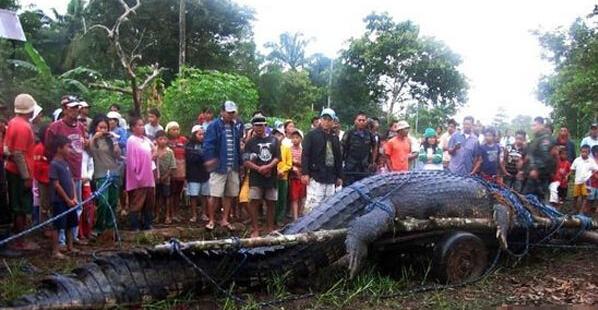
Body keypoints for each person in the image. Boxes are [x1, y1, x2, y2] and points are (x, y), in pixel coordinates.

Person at [45, 96, 88, 246]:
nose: (75, 111)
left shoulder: (80, 127)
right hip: (60, 171)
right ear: (65, 109)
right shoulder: (55, 127)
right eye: (72, 108)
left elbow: (84, 145)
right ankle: (61, 241)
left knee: (77, 205)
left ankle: (73, 237)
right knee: (61, 206)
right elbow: (48, 148)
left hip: (76, 170)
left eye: (77, 108)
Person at [3, 94, 39, 253]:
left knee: (18, 205)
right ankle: (20, 241)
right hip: (19, 172)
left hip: (13, 170)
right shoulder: (23, 127)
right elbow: (18, 153)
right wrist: (26, 176)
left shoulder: (12, 122)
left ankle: (19, 238)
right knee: (20, 207)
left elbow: (8, 149)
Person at [203, 101, 243, 230]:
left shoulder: (235, 127)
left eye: (233, 112)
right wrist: (210, 159)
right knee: (214, 194)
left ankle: (224, 219)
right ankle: (211, 220)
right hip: (219, 166)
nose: (231, 115)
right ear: (222, 112)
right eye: (228, 112)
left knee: (229, 194)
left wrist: (240, 164)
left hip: (233, 165)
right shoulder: (214, 126)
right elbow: (208, 145)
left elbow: (237, 147)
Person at [243, 114, 280, 237]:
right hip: (256, 177)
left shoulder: (274, 140)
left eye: (261, 125)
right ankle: (255, 228)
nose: (259, 128)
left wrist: (268, 166)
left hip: (271, 176)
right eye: (256, 125)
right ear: (253, 127)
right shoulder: (250, 142)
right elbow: (246, 160)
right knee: (254, 201)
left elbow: (277, 157)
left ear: (265, 126)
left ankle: (269, 228)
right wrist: (259, 168)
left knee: (271, 202)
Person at [302, 108, 342, 213]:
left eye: (329, 120)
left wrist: (339, 176)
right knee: (312, 207)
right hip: (315, 176)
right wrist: (305, 173)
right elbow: (305, 154)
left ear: (333, 122)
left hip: (330, 176)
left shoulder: (335, 138)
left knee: (328, 208)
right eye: (324, 119)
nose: (326, 122)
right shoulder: (311, 135)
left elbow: (338, 158)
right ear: (320, 119)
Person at [88, 115, 120, 241]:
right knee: (103, 201)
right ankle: (98, 227)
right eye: (100, 127)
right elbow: (90, 151)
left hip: (113, 172)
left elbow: (117, 155)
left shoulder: (110, 139)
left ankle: (110, 227)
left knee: (112, 201)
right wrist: (95, 137)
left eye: (105, 127)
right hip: (100, 174)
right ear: (95, 127)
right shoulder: (93, 139)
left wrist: (115, 142)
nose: (103, 130)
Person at [48, 135, 79, 259]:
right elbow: (56, 185)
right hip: (59, 200)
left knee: (70, 223)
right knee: (57, 225)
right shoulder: (54, 164)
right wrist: (66, 199)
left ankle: (69, 246)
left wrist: (74, 197)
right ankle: (55, 251)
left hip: (70, 199)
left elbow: (71, 180)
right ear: (59, 148)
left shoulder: (65, 162)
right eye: (67, 146)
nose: (70, 149)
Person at [125, 117, 156, 231]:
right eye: (139, 125)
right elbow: (131, 160)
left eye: (143, 125)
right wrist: (136, 174)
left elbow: (154, 150)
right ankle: (134, 225)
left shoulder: (146, 139)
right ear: (133, 127)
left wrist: (151, 157)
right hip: (138, 176)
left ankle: (147, 223)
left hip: (148, 175)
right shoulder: (131, 140)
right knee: (138, 201)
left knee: (149, 201)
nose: (142, 127)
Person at [524, 117, 556, 202]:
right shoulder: (537, 139)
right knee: (529, 198)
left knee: (537, 199)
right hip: (534, 174)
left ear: (541, 125)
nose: (532, 128)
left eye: (535, 125)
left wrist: (536, 170)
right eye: (532, 125)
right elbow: (532, 155)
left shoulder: (545, 139)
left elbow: (546, 157)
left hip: (540, 175)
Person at [342, 112, 376, 185]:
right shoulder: (349, 133)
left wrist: (373, 161)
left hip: (364, 167)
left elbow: (375, 146)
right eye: (359, 120)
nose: (361, 122)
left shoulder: (369, 134)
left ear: (366, 121)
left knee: (364, 190)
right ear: (355, 121)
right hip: (350, 167)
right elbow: (342, 147)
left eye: (363, 120)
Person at [185, 125, 210, 224]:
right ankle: (194, 215)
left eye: (203, 134)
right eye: (199, 134)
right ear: (194, 134)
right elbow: (191, 158)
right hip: (193, 174)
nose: (202, 136)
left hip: (205, 173)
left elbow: (208, 156)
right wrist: (200, 154)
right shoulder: (189, 145)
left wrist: (200, 154)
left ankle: (204, 213)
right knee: (194, 196)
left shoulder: (207, 144)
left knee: (205, 195)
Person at [165, 122, 187, 221]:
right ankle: (170, 213)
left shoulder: (183, 140)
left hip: (181, 169)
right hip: (170, 169)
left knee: (178, 192)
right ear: (168, 131)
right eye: (173, 129)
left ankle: (177, 213)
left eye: (177, 129)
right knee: (171, 192)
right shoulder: (166, 141)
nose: (175, 131)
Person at [155, 130, 176, 224]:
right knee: (157, 197)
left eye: (164, 139)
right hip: (156, 179)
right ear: (156, 140)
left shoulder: (170, 152)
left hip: (166, 179)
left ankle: (168, 215)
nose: (163, 141)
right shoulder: (154, 151)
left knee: (167, 197)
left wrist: (165, 176)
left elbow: (172, 167)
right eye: (160, 139)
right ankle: (157, 215)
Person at [32, 125, 50, 233]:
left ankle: (48, 225)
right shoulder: (39, 148)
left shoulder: (51, 148)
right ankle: (44, 227)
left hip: (51, 180)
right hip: (43, 180)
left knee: (50, 204)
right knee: (44, 204)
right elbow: (37, 166)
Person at [570, 145, 598, 213]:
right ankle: (574, 209)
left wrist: (591, 175)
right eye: (582, 152)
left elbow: (596, 169)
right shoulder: (577, 160)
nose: (583, 153)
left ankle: (581, 211)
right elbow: (572, 169)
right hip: (577, 181)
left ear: (588, 153)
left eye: (585, 152)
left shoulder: (591, 161)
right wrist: (572, 175)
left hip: (587, 182)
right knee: (575, 196)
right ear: (580, 152)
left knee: (585, 197)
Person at [273, 127, 292, 225]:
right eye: (275, 135)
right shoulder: (271, 147)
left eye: (279, 135)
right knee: (272, 198)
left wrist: (282, 171)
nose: (277, 137)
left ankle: (280, 218)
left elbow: (289, 163)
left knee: (282, 198)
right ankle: (272, 218)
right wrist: (275, 170)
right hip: (272, 176)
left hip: (283, 177)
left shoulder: (286, 148)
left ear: (283, 136)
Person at [289, 130, 305, 220]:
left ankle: (299, 215)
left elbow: (304, 163)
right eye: (293, 138)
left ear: (301, 139)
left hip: (301, 176)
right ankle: (295, 218)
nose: (295, 139)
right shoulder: (289, 150)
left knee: (301, 197)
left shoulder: (303, 151)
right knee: (294, 198)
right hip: (293, 177)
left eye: (297, 137)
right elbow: (288, 161)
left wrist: (296, 162)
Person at [585, 145, 598, 213]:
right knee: (589, 199)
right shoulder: (591, 161)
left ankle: (594, 211)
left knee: (596, 199)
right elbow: (591, 172)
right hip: (592, 183)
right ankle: (586, 211)